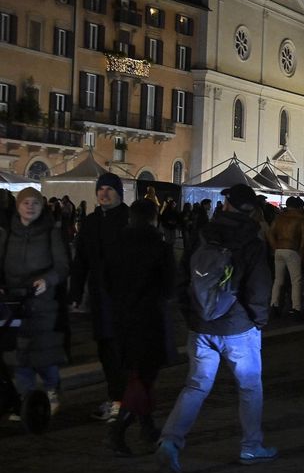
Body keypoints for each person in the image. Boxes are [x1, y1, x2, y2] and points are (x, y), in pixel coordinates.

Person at [156, 183, 275, 473]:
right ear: (252, 210)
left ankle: (170, 441)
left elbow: (183, 278)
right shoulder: (252, 241)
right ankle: (251, 445)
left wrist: (191, 314)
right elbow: (259, 288)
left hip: (202, 324)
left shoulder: (203, 234)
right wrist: (258, 321)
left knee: (195, 386)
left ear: (225, 205)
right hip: (238, 327)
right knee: (249, 387)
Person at [105, 199, 174, 455]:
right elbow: (168, 287)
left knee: (137, 374)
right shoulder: (160, 247)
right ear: (154, 218)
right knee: (143, 378)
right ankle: (118, 432)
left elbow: (107, 281)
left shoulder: (116, 246)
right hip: (148, 318)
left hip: (122, 317)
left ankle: (147, 426)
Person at [1, 188, 69, 418]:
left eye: (35, 203)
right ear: (18, 206)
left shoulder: (51, 233)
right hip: (13, 299)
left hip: (42, 301)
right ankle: (25, 399)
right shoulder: (8, 233)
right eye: (26, 202)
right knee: (19, 351)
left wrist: (47, 280)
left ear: (42, 207)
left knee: (43, 349)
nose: (30, 206)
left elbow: (62, 266)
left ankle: (51, 389)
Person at [69, 172, 130, 422]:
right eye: (100, 189)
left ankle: (122, 401)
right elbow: (81, 260)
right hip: (99, 295)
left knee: (120, 350)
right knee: (105, 349)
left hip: (123, 297)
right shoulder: (91, 222)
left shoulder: (128, 219)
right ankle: (115, 397)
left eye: (109, 189)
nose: (104, 194)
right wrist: (75, 291)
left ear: (118, 193)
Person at [267, 196, 304, 317]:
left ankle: (274, 304)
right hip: (292, 249)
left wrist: (274, 246)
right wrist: (301, 251)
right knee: (296, 280)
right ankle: (296, 308)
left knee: (278, 280)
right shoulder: (301, 218)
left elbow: (270, 232)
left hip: (279, 248)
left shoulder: (279, 217)